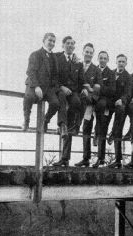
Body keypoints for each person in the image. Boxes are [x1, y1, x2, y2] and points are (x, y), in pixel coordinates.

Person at [53, 36, 85, 167]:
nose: (70, 46)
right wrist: (61, 86)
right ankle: (63, 125)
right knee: (64, 116)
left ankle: (72, 126)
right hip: (59, 90)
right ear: (63, 45)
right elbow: (52, 76)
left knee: (77, 102)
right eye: (68, 43)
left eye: (72, 44)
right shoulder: (57, 58)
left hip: (72, 92)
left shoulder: (77, 62)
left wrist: (83, 88)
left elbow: (81, 80)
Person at [22, 33, 62, 134]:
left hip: (48, 88)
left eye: (54, 41)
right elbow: (31, 72)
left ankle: (45, 120)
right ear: (44, 40)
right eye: (50, 40)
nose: (52, 43)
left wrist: (53, 88)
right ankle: (26, 120)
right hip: (34, 84)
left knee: (55, 103)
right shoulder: (36, 54)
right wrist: (36, 87)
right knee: (29, 97)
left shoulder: (54, 57)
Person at [74, 43, 103, 167]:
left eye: (91, 52)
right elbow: (74, 81)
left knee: (89, 128)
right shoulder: (77, 65)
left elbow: (98, 87)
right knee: (83, 129)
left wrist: (88, 88)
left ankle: (88, 157)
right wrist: (83, 87)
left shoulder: (96, 70)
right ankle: (85, 158)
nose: (89, 54)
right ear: (83, 52)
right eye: (87, 51)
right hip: (78, 101)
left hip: (91, 103)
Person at [106, 54, 132, 169]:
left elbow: (128, 92)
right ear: (116, 62)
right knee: (102, 123)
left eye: (123, 62)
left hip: (120, 104)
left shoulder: (128, 76)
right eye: (119, 61)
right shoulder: (111, 73)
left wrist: (122, 100)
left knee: (118, 130)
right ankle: (100, 157)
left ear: (126, 63)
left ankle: (117, 160)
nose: (121, 63)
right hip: (109, 103)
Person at [92, 51, 116, 168]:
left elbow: (112, 90)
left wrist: (98, 89)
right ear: (98, 59)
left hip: (105, 103)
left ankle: (100, 158)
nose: (102, 60)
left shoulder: (111, 73)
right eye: (100, 58)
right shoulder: (93, 69)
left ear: (108, 60)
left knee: (103, 128)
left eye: (104, 58)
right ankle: (86, 157)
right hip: (93, 102)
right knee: (87, 125)